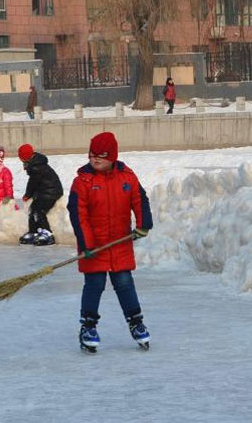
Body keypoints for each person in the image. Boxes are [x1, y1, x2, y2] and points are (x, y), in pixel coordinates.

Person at [67, 132, 153, 353]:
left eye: (101, 156)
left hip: (120, 244)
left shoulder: (127, 177)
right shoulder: (82, 182)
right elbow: (78, 215)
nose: (95, 159)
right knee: (94, 285)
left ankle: (136, 321)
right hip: (94, 247)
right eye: (92, 154)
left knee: (124, 283)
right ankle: (88, 327)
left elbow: (139, 199)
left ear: (113, 156)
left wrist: (143, 223)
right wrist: (87, 244)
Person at [18, 143, 63, 245]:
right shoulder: (35, 163)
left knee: (39, 211)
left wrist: (28, 195)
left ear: (24, 157)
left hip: (51, 192)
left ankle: (47, 233)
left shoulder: (36, 167)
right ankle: (33, 232)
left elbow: (33, 183)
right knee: (33, 210)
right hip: (44, 191)